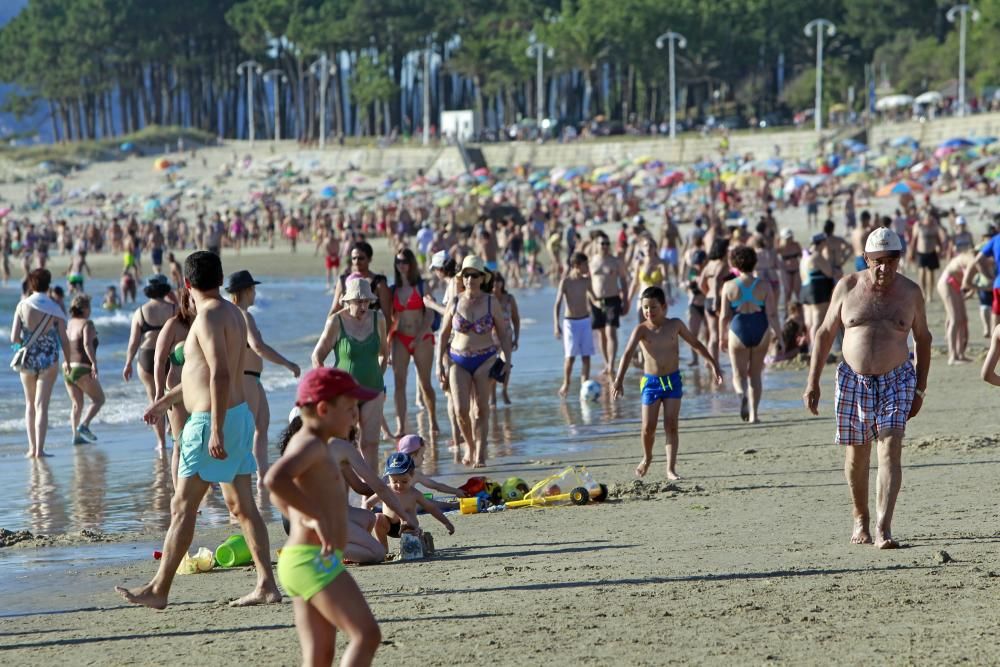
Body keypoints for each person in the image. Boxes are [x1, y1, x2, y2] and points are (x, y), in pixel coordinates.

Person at [117, 251, 281, 609]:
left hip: (212, 423)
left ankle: (159, 589)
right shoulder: (233, 314)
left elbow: (221, 374)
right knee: (242, 507)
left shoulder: (206, 318)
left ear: (187, 285)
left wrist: (215, 430)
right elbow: (202, 376)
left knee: (182, 507)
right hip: (237, 416)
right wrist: (165, 402)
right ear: (220, 279)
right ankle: (267, 584)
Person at [264, 368, 416, 665]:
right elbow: (274, 481)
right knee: (367, 635)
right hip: (311, 561)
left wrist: (302, 517)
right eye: (349, 410)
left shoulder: (318, 445)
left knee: (320, 657)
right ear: (323, 409)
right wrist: (314, 517)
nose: (355, 417)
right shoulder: (309, 444)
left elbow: (278, 493)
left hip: (303, 560)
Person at [803, 228, 931, 549]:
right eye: (878, 261)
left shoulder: (911, 293)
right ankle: (860, 517)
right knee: (857, 455)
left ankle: (883, 528)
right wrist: (812, 381)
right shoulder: (847, 286)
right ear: (866, 259)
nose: (884, 268)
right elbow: (823, 333)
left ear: (899, 260)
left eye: (891, 261)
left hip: (897, 378)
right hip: (852, 379)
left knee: (890, 446)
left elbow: (923, 339)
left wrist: (920, 389)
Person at [611, 286, 723, 479]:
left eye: (653, 307)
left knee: (671, 425)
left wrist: (713, 364)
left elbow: (695, 344)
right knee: (648, 427)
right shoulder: (641, 330)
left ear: (664, 307)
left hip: (672, 381)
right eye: (645, 308)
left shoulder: (675, 325)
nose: (649, 312)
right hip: (651, 383)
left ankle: (670, 469)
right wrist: (618, 379)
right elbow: (627, 354)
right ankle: (647, 457)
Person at [226, 270, 301, 488]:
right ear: (246, 291)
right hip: (246, 377)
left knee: (261, 425)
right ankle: (243, 477)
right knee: (248, 431)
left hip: (253, 378)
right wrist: (287, 363)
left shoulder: (233, 314)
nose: (255, 293)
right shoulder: (243, 315)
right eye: (253, 289)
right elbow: (257, 347)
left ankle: (261, 475)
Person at [436, 256, 512, 467]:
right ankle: (469, 444)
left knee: (480, 409)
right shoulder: (455, 301)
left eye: (474, 275)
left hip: (485, 358)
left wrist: (507, 360)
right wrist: (438, 365)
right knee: (460, 410)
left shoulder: (491, 301)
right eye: (466, 275)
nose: (470, 279)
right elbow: (443, 335)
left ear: (481, 278)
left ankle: (480, 451)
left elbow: (504, 334)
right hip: (457, 359)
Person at [312, 277, 388, 468]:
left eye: (366, 301)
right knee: (345, 444)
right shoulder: (336, 322)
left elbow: (384, 354)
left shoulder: (378, 318)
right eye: (358, 301)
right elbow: (317, 357)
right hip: (344, 396)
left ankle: (369, 496)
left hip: (372, 391)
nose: (363, 306)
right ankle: (344, 493)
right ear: (347, 301)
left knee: (371, 444)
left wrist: (377, 379)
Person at [10, 269, 71, 458]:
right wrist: (68, 361)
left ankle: (31, 449)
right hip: (49, 359)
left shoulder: (22, 305)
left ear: (31, 284)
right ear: (48, 284)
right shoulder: (54, 307)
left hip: (28, 359)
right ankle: (40, 450)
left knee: (29, 404)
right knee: (42, 406)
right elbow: (64, 338)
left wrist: (26, 344)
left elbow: (14, 338)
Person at [720, 247, 781, 423]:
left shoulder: (728, 286)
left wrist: (721, 337)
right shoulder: (764, 285)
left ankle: (741, 395)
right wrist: (780, 336)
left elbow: (724, 315)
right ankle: (754, 415)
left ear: (734, 264)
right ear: (754, 262)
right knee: (755, 375)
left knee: (738, 375)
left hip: (738, 329)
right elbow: (772, 314)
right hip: (760, 329)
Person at [123, 274, 176, 452]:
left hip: (146, 357)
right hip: (170, 356)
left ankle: (161, 443)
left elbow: (133, 342)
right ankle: (174, 430)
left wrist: (128, 363)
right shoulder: (174, 309)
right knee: (172, 396)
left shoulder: (140, 312)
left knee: (154, 398)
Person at [389, 248, 437, 435]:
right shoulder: (394, 290)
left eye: (405, 262)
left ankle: (432, 421)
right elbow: (388, 317)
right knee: (399, 383)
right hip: (400, 338)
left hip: (422, 337)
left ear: (411, 264)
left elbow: (430, 314)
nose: (402, 265)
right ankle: (401, 425)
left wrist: (419, 337)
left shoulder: (422, 286)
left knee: (425, 383)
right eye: (398, 262)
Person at [370, 452, 455, 553]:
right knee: (377, 517)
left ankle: (421, 541)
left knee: (407, 519)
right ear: (388, 478)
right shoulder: (385, 491)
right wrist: (364, 527)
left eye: (404, 481)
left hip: (410, 526)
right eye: (394, 481)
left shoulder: (415, 494)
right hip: (388, 525)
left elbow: (431, 508)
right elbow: (367, 503)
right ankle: (383, 549)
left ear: (412, 475)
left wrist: (446, 523)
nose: (399, 485)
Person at [154, 286, 195, 488]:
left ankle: (202, 487)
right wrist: (159, 394)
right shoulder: (173, 325)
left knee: (202, 441)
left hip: (201, 392)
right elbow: (159, 361)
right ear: (186, 302)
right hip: (176, 393)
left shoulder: (206, 324)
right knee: (181, 443)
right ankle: (180, 493)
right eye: (194, 300)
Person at [63, 294, 105, 445]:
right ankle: (84, 425)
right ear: (85, 308)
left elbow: (66, 345)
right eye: (90, 307)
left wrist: (67, 362)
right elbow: (87, 344)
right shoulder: (87, 323)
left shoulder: (69, 323)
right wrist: (94, 363)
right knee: (99, 399)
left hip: (68, 369)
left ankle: (75, 436)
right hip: (82, 367)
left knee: (77, 404)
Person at [553, 252, 596, 397]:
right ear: (576, 265)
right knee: (570, 357)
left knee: (586, 356)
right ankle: (566, 383)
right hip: (570, 323)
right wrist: (556, 325)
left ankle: (585, 386)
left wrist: (602, 305)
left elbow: (594, 298)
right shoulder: (566, 282)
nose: (587, 267)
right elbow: (557, 304)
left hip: (585, 320)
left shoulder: (586, 281)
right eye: (585, 265)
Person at [589, 233, 630, 375]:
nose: (605, 246)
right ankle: (606, 363)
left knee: (610, 331)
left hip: (612, 299)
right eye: (602, 244)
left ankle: (612, 364)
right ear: (597, 245)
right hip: (596, 301)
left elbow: (624, 280)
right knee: (601, 334)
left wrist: (626, 299)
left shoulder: (615, 262)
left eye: (607, 243)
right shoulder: (591, 261)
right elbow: (587, 283)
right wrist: (589, 300)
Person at [331, 241, 393, 319]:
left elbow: (387, 316)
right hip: (347, 329)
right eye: (354, 258)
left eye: (361, 258)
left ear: (369, 259)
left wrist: (382, 331)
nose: (357, 261)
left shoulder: (379, 283)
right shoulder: (343, 281)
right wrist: (327, 329)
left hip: (370, 329)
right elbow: (334, 310)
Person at [395, 434, 468, 497]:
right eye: (422, 455)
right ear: (412, 457)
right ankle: (453, 505)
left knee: (421, 498)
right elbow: (437, 486)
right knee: (426, 502)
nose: (423, 458)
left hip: (390, 506)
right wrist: (456, 491)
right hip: (406, 506)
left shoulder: (391, 471)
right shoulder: (415, 474)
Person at [936, 249, 976, 364]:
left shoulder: (976, 261)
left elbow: (968, 284)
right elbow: (967, 283)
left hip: (955, 285)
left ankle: (960, 354)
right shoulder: (970, 259)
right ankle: (952, 356)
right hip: (947, 283)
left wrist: (971, 292)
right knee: (955, 319)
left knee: (963, 320)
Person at [800, 234, 835, 350]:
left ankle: (810, 347)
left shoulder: (804, 257)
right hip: (816, 291)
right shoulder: (817, 256)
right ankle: (815, 349)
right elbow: (829, 272)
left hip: (804, 289)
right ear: (822, 243)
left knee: (809, 322)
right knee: (817, 322)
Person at [489, 272, 520, 405]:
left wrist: (517, 338)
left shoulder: (509, 299)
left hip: (506, 335)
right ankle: (493, 396)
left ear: (502, 283)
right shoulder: (488, 300)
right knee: (491, 367)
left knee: (506, 364)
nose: (496, 284)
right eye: (493, 282)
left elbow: (516, 319)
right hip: (491, 337)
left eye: (498, 281)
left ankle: (504, 390)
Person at [908, 211, 949, 303]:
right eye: (928, 217)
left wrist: (942, 249)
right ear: (924, 218)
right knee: (922, 273)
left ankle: (930, 294)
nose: (930, 219)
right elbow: (914, 240)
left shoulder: (934, 227)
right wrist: (911, 252)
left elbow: (938, 239)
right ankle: (923, 292)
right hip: (921, 252)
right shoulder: (918, 226)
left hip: (931, 252)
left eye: (931, 217)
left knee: (931, 274)